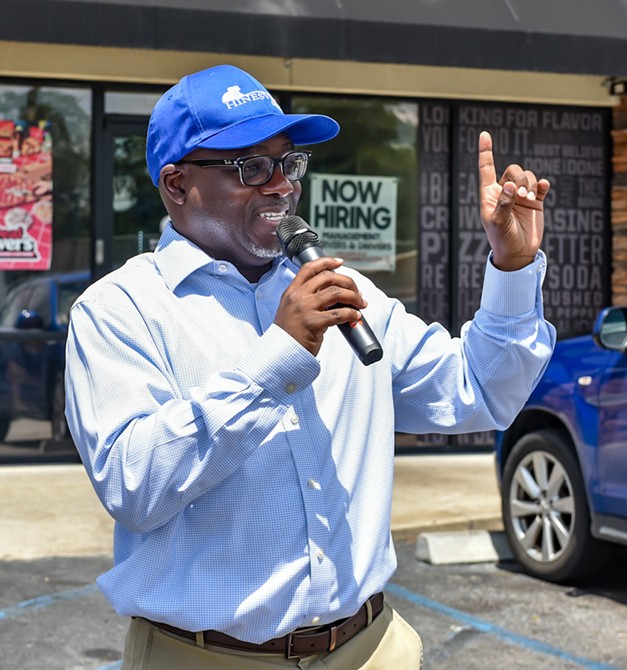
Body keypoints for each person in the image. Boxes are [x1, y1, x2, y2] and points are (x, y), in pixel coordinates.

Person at [64, 64, 556, 670]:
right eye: (252, 167)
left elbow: (480, 391)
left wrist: (511, 267)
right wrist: (277, 360)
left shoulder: (344, 290)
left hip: (371, 647)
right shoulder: (121, 310)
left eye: (288, 164)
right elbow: (133, 486)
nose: (280, 186)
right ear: (176, 183)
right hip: (208, 658)